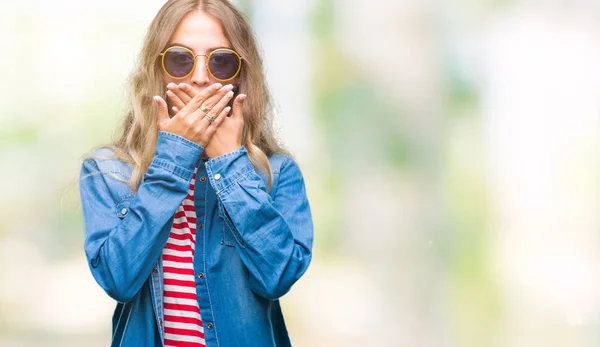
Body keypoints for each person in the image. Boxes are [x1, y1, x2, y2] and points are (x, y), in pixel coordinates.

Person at [78, 0, 313, 346]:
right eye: (180, 59)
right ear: (156, 71)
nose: (200, 76)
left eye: (220, 61)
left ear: (240, 75)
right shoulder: (108, 170)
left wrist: (230, 164)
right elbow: (118, 280)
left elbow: (278, 277)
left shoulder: (276, 174)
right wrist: (175, 157)